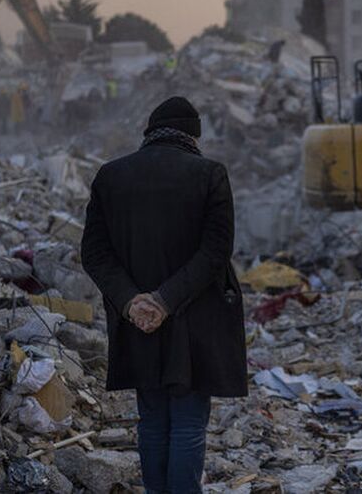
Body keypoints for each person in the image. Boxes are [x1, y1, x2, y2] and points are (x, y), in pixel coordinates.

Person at [80, 96, 246, 494]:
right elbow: (216, 251)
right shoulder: (209, 174)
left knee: (152, 419)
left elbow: (94, 253)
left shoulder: (111, 176)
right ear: (193, 135)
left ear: (150, 131)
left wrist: (132, 301)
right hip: (195, 317)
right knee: (188, 423)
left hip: (137, 322)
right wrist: (166, 300)